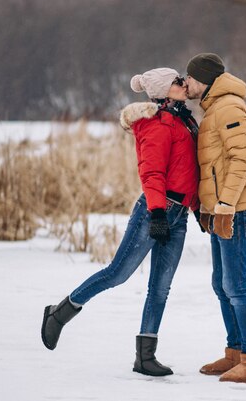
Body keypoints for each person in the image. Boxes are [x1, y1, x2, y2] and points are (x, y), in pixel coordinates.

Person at [41, 68, 200, 377]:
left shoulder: (183, 119)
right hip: (156, 208)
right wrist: (156, 213)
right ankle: (59, 313)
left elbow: (188, 171)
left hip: (179, 213)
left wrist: (196, 207)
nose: (184, 83)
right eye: (177, 81)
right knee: (117, 273)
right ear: (164, 91)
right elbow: (151, 174)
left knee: (161, 287)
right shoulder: (156, 124)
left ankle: (145, 356)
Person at [185, 53, 246, 383]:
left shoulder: (229, 107)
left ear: (203, 79)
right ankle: (235, 353)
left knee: (235, 285)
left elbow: (241, 162)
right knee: (222, 284)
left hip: (238, 210)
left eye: (189, 77)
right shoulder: (215, 108)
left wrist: (224, 205)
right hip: (224, 209)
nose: (185, 83)